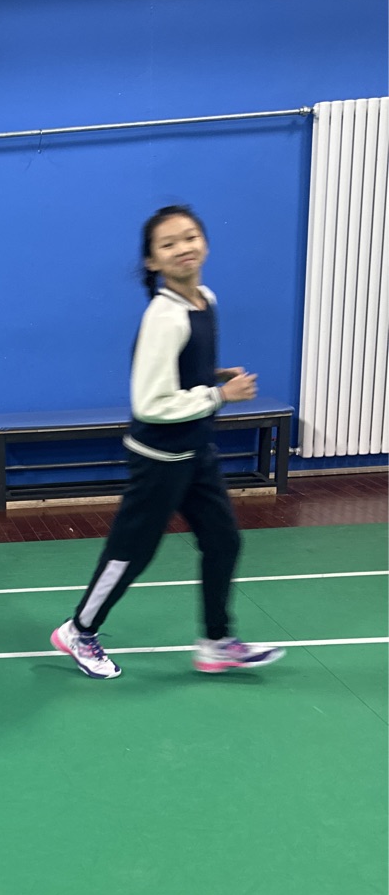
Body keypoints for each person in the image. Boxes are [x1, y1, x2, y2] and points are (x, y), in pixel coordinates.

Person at [52, 204, 285, 679]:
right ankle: (78, 630)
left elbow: (179, 371)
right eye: (168, 243)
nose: (183, 248)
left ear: (205, 244)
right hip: (159, 460)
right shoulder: (164, 317)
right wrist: (219, 395)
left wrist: (210, 375)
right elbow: (150, 404)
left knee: (223, 540)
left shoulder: (204, 300)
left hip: (196, 451)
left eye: (190, 237)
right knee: (131, 553)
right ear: (152, 260)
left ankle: (216, 643)